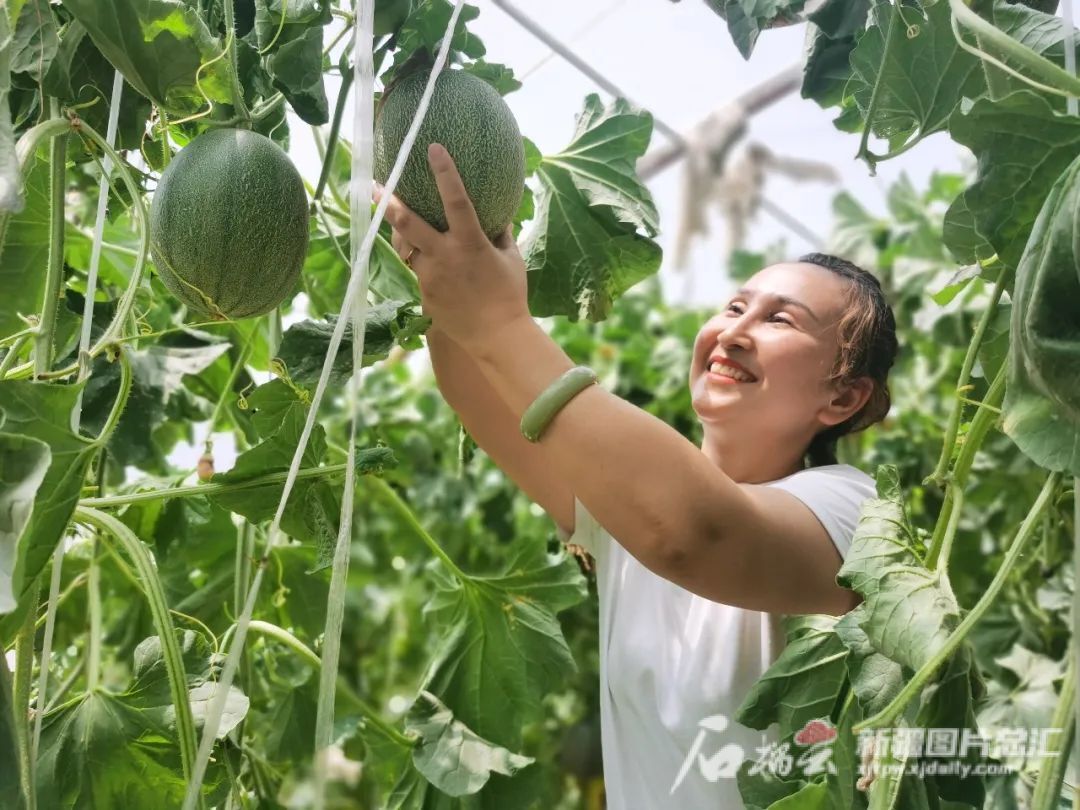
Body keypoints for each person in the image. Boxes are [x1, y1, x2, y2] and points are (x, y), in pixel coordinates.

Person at [375, 143, 898, 809]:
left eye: (781, 320)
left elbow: (695, 534)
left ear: (843, 398)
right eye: (736, 307)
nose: (737, 331)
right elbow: (481, 397)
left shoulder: (854, 511)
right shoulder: (625, 505)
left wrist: (503, 320)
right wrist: (445, 259)